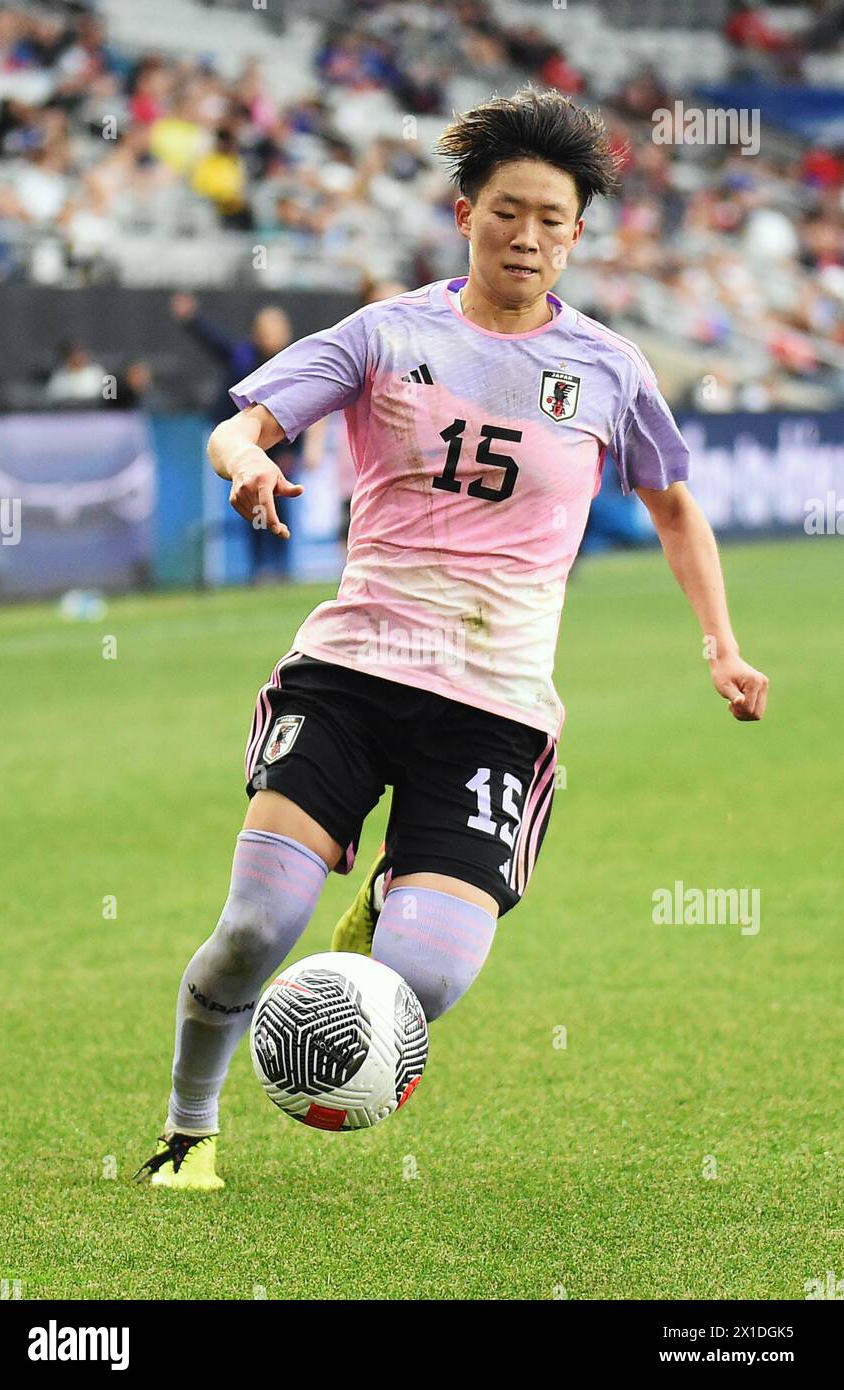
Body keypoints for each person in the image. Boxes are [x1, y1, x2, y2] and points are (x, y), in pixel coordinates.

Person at [137, 88, 768, 1190]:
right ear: (464, 210)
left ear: (577, 234)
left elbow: (670, 504)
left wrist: (717, 642)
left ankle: (384, 898)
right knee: (255, 925)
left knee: (421, 979)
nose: (525, 237)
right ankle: (189, 1133)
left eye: (550, 220)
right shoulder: (387, 334)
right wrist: (243, 460)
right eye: (505, 212)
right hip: (349, 671)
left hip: (495, 706)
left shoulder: (610, 370)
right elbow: (246, 422)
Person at [170, 293, 300, 579]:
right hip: (249, 445)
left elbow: (304, 407)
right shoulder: (244, 357)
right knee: (255, 507)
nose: (274, 333)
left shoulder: (294, 362)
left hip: (281, 447)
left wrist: (296, 451)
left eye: (278, 327)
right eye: (268, 327)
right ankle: (258, 568)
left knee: (281, 506)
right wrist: (191, 320)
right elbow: (215, 344)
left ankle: (281, 567)